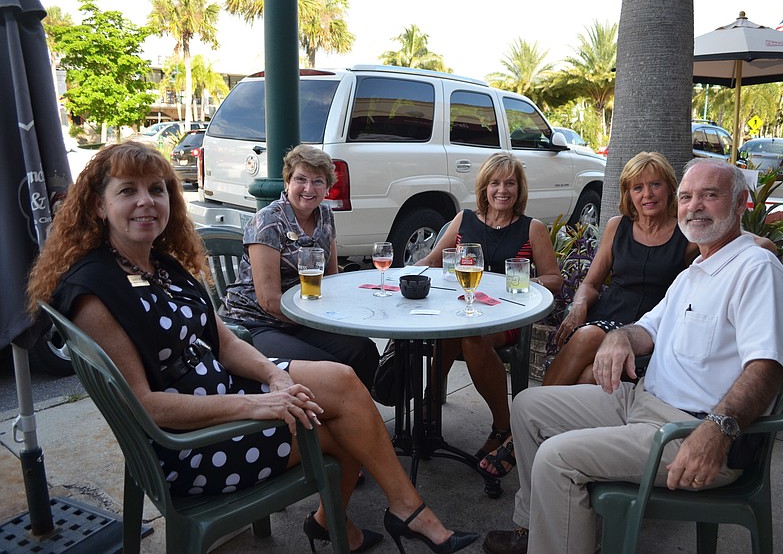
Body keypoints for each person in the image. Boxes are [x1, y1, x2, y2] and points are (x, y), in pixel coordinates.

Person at [27, 142, 479, 554]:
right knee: (347, 433)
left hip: (225, 391)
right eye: (128, 191)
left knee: (343, 379)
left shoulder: (157, 263)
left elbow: (221, 339)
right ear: (99, 206)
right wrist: (259, 406)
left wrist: (274, 377)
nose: (146, 201)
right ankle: (382, 519)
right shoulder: (95, 292)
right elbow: (148, 407)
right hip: (193, 446)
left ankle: (377, 515)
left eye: (157, 189)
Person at [482, 158, 783, 554]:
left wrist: (718, 430)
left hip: (692, 431)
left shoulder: (755, 271)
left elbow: (766, 368)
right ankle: (540, 530)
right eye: (687, 196)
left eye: (709, 195)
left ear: (739, 205)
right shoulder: (695, 271)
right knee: (528, 406)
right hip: (644, 401)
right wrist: (621, 339)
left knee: (555, 457)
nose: (694, 205)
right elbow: (647, 328)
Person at [415, 151, 563, 462]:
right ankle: (428, 406)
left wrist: (524, 282)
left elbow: (554, 279)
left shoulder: (530, 228)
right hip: (460, 307)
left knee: (471, 337)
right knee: (450, 329)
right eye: (495, 183)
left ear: (519, 190)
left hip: (505, 317)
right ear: (484, 188)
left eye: (510, 183)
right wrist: (405, 277)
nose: (502, 190)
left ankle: (502, 425)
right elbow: (432, 260)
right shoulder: (464, 220)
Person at [222, 144, 379, 388]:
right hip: (255, 324)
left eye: (318, 181)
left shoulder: (325, 216)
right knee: (326, 368)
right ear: (287, 182)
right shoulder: (268, 221)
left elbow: (332, 279)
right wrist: (320, 319)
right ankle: (326, 423)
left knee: (363, 350)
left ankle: (357, 418)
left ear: (327, 188)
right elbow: (270, 301)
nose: (308, 188)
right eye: (300, 179)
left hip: (303, 320)